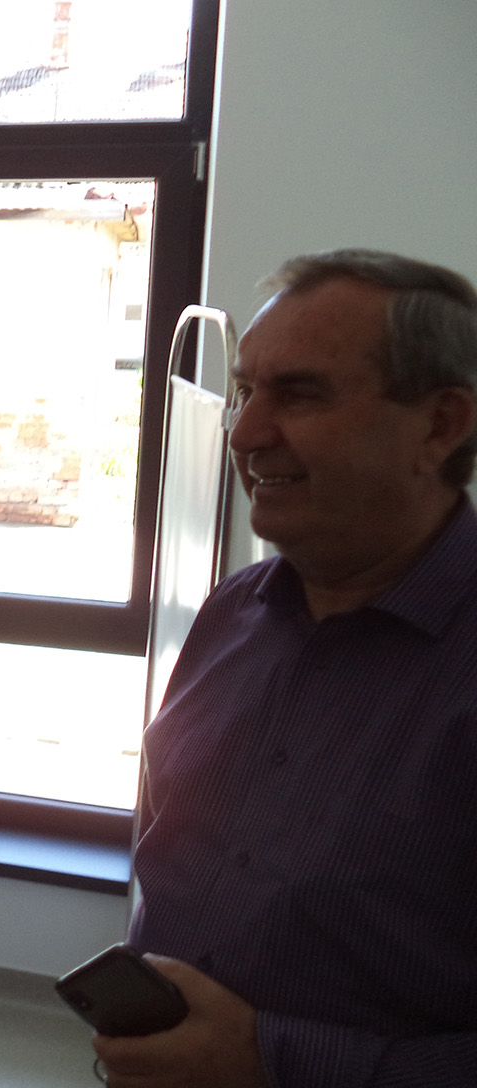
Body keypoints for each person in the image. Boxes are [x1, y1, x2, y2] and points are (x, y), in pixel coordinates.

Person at [95, 250, 477, 1087]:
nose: (243, 433)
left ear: (441, 425)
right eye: (245, 392)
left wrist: (270, 1059)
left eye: (300, 394)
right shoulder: (232, 613)